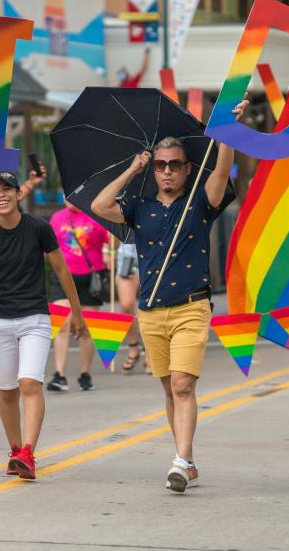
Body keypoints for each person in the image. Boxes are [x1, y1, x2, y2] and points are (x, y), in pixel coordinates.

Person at [91, 125, 238, 493]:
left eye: (175, 164)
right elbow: (99, 206)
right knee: (170, 390)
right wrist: (132, 170)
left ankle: (181, 460)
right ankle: (185, 458)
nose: (168, 171)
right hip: (151, 311)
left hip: (191, 307)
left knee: (183, 384)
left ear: (188, 168)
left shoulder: (200, 201)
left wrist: (227, 135)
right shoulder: (139, 207)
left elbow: (220, 172)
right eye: (161, 165)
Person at [0, 170, 87, 480]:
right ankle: (16, 450)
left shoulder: (39, 229)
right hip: (0, 321)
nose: (2, 195)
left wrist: (77, 312)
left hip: (35, 318)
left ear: (19, 194)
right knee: (7, 391)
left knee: (29, 383)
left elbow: (61, 270)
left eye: (8, 189)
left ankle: (28, 452)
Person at [46, 201, 108, 392]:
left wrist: (110, 252)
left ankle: (85, 373)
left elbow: (110, 243)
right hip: (63, 277)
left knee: (87, 328)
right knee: (63, 323)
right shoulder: (57, 218)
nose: (69, 197)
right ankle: (59, 374)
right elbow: (47, 247)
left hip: (91, 277)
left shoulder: (97, 214)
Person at [112, 240, 145, 373]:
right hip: (127, 255)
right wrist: (109, 252)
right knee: (126, 305)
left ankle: (151, 352)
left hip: (154, 251)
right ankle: (133, 347)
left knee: (151, 305)